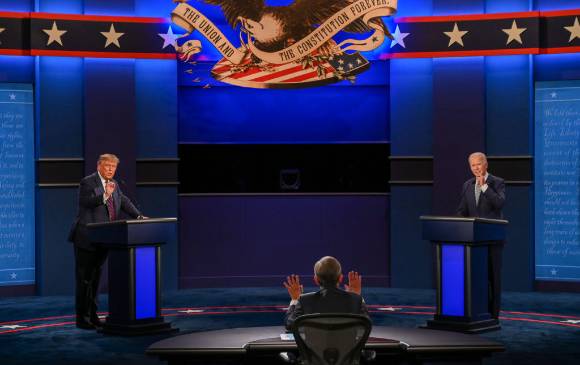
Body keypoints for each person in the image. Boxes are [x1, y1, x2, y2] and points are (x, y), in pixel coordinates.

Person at [68, 154, 144, 330]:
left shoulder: (114, 185)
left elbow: (124, 202)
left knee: (95, 281)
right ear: (99, 166)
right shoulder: (88, 182)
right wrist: (105, 194)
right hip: (86, 238)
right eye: (107, 165)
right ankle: (82, 319)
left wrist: (138, 216)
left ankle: (93, 316)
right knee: (84, 280)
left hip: (103, 238)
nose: (110, 169)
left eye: (113, 166)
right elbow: (86, 202)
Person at [456, 152, 505, 319]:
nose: (476, 168)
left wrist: (485, 187)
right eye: (472, 165)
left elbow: (499, 203)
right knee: (475, 278)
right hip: (472, 240)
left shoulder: (497, 182)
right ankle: (478, 312)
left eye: (479, 164)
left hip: (492, 240)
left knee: (493, 278)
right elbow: (462, 210)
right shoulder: (467, 185)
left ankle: (494, 315)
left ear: (486, 164)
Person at [283, 256, 369, 331]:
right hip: (348, 349)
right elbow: (367, 324)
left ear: (316, 280)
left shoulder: (305, 300)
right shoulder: (355, 300)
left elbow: (290, 325)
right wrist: (357, 297)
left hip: (314, 349)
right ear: (341, 278)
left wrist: (295, 299)